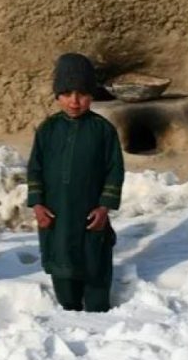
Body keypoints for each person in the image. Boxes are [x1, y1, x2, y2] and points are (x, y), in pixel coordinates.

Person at [27, 53, 124, 313]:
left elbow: (115, 171)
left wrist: (104, 208)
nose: (74, 101)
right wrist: (37, 205)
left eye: (82, 93)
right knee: (63, 268)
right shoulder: (47, 130)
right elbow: (34, 169)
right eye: (67, 93)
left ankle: (97, 312)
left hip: (90, 215)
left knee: (95, 263)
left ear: (91, 95)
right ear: (57, 95)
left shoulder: (103, 131)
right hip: (56, 215)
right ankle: (68, 310)